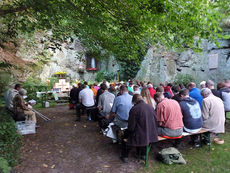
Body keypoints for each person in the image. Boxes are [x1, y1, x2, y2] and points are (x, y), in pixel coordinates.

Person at [120, 94, 158, 163]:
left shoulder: (134, 109)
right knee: (142, 134)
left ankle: (125, 156)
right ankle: (142, 154)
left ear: (134, 101)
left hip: (141, 135)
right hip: (151, 133)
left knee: (125, 136)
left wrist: (126, 132)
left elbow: (131, 127)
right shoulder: (150, 107)